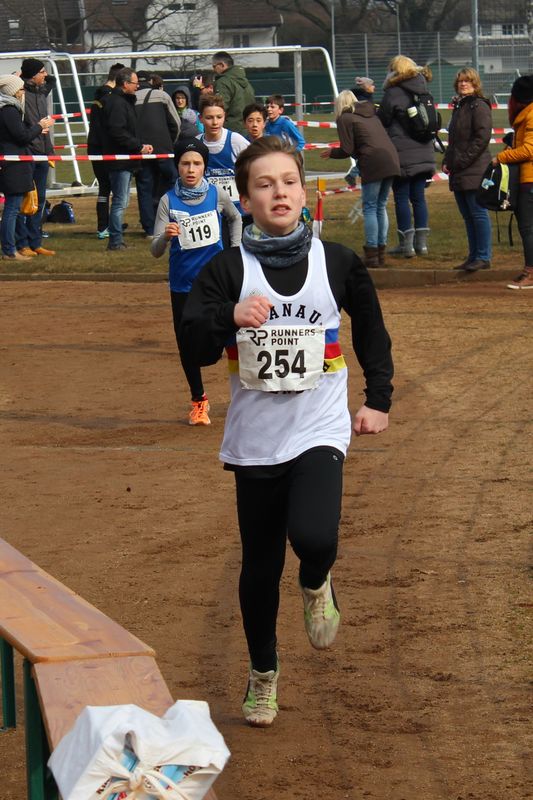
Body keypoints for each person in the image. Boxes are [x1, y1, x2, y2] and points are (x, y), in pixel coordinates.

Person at [179, 136, 393, 727]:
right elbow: (193, 343)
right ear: (245, 199)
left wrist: (378, 398)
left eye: (289, 182)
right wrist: (229, 317)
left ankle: (317, 579)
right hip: (255, 440)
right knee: (260, 565)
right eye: (264, 184)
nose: (279, 192)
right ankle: (263, 673)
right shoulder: (228, 270)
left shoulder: (338, 262)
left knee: (315, 535)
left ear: (304, 192)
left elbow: (371, 329)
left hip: (320, 426)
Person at [150, 139, 242, 424]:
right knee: (188, 345)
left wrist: (234, 251)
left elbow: (236, 218)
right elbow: (155, 250)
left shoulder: (216, 194)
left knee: (230, 338)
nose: (191, 169)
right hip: (183, 286)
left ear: (205, 166)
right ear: (177, 166)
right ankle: (199, 400)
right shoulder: (168, 201)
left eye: (197, 164)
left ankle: (244, 396)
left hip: (216, 284)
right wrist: (165, 236)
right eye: (185, 164)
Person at [321, 89, 400, 268]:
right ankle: (381, 252)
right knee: (380, 206)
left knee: (370, 207)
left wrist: (332, 152)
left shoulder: (345, 119)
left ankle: (372, 254)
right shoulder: (371, 115)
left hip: (372, 162)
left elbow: (347, 149)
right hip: (391, 159)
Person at [377, 55, 436, 257]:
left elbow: (383, 120)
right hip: (424, 151)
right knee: (419, 198)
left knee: (401, 197)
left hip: (401, 153)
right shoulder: (423, 89)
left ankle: (406, 245)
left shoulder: (393, 93)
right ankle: (422, 244)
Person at [442, 68, 492, 272]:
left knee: (478, 213)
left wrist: (461, 161)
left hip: (474, 169)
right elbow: (454, 140)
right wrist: (447, 160)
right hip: (460, 169)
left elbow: (482, 138)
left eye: (467, 81)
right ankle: (473, 256)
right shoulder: (460, 106)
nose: (463, 84)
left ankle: (483, 256)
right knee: (468, 215)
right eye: (460, 81)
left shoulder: (479, 106)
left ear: (475, 83)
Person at [0, 75, 52, 261]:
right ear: (13, 92)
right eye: (21, 89)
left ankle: (11, 248)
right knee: (12, 209)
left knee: (13, 208)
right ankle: (9, 250)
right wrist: (39, 126)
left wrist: (36, 130)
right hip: (13, 164)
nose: (23, 93)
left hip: (13, 162)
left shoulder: (9, 109)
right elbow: (21, 136)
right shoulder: (9, 110)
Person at [101, 67, 153, 251]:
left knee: (121, 201)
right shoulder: (117, 103)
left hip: (125, 159)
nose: (137, 86)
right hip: (120, 160)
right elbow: (118, 132)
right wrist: (138, 146)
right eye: (135, 83)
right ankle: (115, 241)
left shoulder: (123, 101)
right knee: (120, 202)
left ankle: (117, 240)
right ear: (125, 84)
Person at [493, 75, 533, 290]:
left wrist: (501, 157)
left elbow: (529, 150)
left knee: (528, 228)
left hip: (530, 179)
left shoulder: (531, 115)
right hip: (526, 178)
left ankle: (531, 272)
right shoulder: (526, 116)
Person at [16, 58, 57, 257]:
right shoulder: (19, 94)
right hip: (27, 152)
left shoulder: (41, 92)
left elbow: (53, 80)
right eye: (42, 71)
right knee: (24, 201)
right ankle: (21, 243)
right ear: (32, 75)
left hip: (43, 153)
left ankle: (36, 242)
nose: (45, 75)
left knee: (40, 200)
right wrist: (36, 129)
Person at [134, 71, 181, 238]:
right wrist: (170, 142)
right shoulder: (162, 96)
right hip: (164, 150)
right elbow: (176, 123)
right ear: (151, 81)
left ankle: (149, 228)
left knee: (144, 187)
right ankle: (174, 220)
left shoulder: (129, 99)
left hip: (141, 151)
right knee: (173, 182)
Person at [87, 62, 124, 239]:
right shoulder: (108, 98)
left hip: (95, 147)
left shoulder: (99, 96)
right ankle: (104, 226)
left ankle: (108, 224)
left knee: (105, 187)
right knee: (109, 188)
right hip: (104, 149)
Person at [198, 94, 250, 219]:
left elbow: (256, 167)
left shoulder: (235, 140)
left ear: (224, 116)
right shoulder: (196, 144)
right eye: (209, 118)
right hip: (209, 211)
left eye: (219, 117)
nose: (215, 122)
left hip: (238, 210)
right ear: (201, 119)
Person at [211, 51, 255, 137]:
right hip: (248, 128)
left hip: (230, 130)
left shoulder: (222, 82)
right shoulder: (246, 82)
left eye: (214, 66)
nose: (213, 69)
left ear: (222, 65)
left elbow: (220, 108)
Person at [344, 77, 376, 187]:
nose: (374, 87)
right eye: (372, 85)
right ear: (366, 86)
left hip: (366, 129)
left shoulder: (367, 97)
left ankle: (355, 174)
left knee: (367, 155)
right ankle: (353, 175)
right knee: (367, 155)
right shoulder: (361, 99)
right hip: (362, 130)